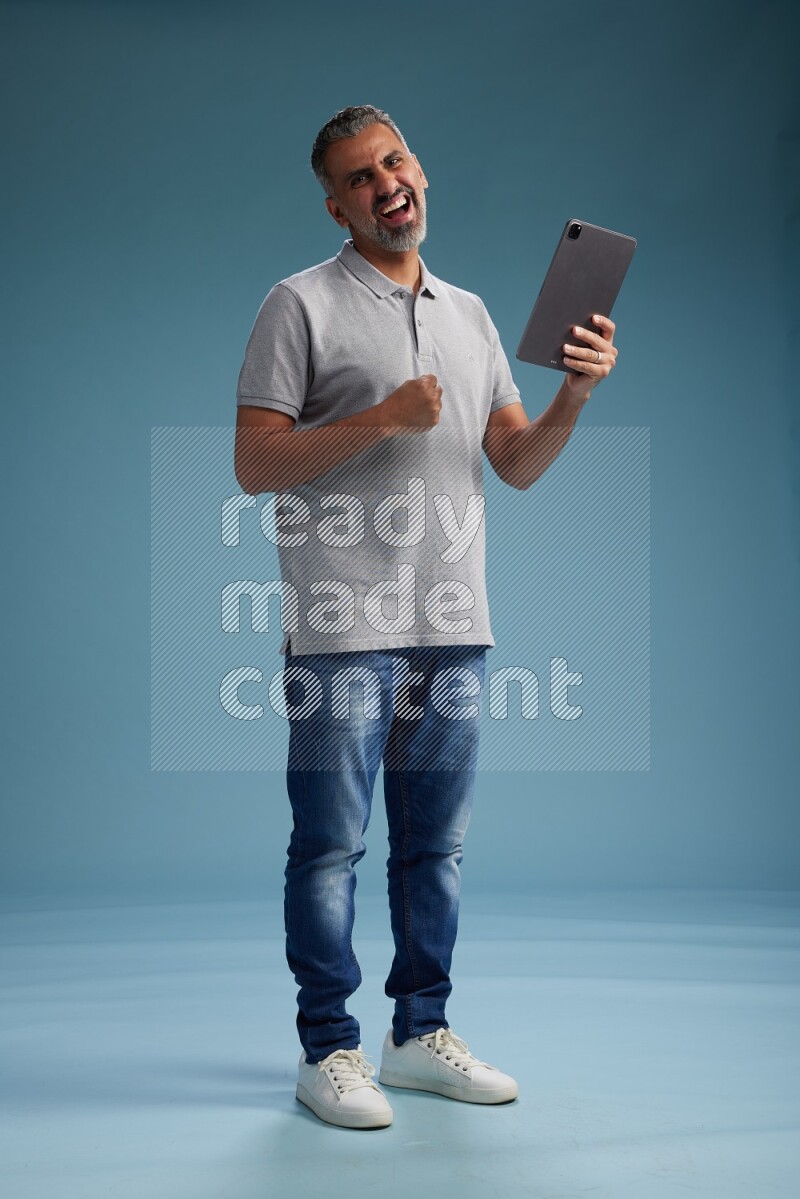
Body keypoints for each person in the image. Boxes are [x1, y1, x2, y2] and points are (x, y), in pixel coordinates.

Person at [234, 104, 618, 1130]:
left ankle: (416, 1032)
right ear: (337, 203)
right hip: (339, 622)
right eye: (359, 177)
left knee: (433, 848)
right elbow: (252, 462)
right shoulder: (297, 304)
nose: (383, 182)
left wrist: (572, 396)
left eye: (393, 160)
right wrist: (377, 419)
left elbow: (515, 465)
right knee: (329, 847)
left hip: (452, 618)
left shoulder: (473, 314)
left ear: (420, 171)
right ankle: (330, 1048)